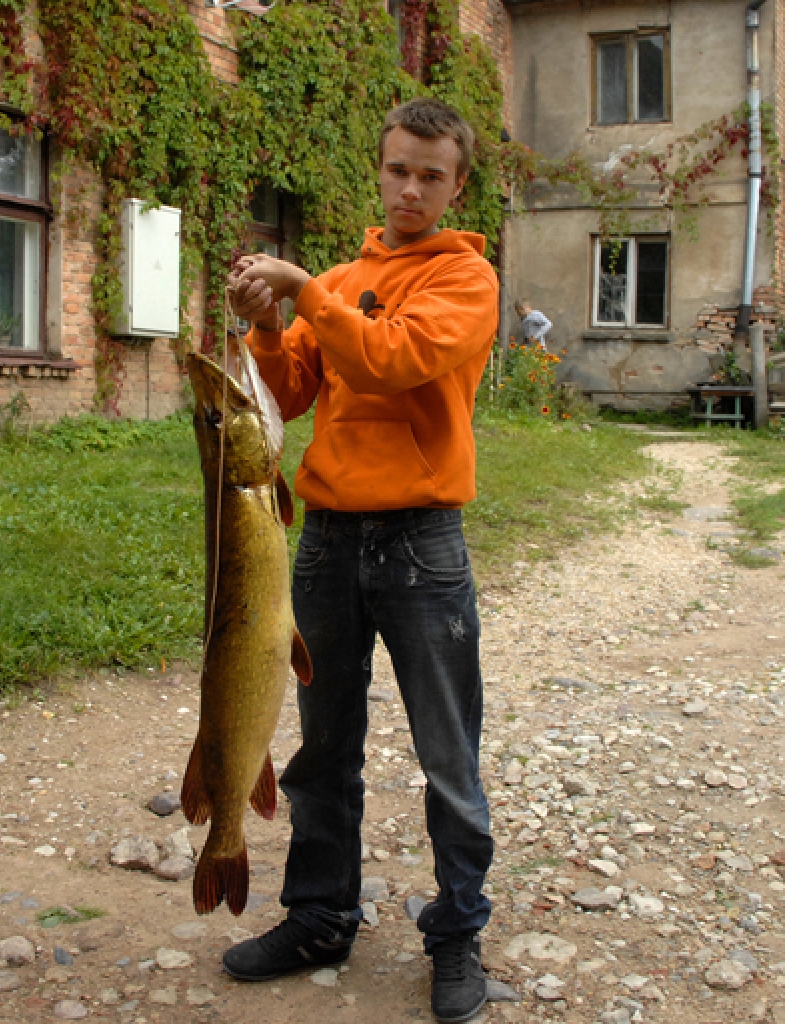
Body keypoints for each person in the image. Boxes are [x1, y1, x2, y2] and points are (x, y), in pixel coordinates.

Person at [224, 96, 498, 1024]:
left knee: (447, 753)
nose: (411, 188)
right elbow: (292, 391)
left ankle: (457, 931)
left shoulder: (466, 279)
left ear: (456, 185)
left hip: (423, 542)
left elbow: (389, 359)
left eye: (431, 174)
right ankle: (319, 916)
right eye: (398, 170)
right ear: (379, 172)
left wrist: (304, 293)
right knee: (323, 747)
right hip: (328, 543)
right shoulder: (343, 277)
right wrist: (267, 322)